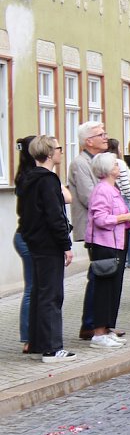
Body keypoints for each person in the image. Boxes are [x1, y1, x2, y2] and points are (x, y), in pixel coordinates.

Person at [19, 136, 75, 363]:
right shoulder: (48, 180)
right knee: (51, 295)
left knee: (39, 293)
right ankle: (52, 348)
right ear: (50, 153)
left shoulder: (27, 178)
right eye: (59, 148)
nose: (61, 151)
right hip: (49, 244)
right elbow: (55, 215)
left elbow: (26, 214)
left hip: (35, 242)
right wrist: (66, 244)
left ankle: (37, 343)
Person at [85, 153, 130, 349]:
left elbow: (117, 216)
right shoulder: (102, 190)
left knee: (114, 288)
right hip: (105, 245)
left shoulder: (112, 189)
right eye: (115, 164)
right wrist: (125, 218)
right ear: (108, 169)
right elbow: (100, 219)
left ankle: (107, 328)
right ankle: (99, 333)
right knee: (104, 289)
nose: (119, 167)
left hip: (117, 243)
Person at [67, 121, 108, 341]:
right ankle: (91, 324)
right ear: (88, 141)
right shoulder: (80, 163)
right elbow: (89, 196)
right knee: (98, 274)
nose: (105, 137)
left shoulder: (97, 160)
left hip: (105, 225)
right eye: (100, 134)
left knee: (103, 274)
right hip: (94, 226)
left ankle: (101, 323)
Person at [14, 136, 37, 354]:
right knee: (32, 288)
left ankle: (32, 335)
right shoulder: (32, 178)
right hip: (28, 238)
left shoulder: (25, 176)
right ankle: (28, 337)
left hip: (24, 236)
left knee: (34, 287)